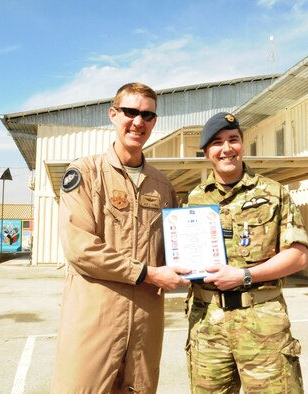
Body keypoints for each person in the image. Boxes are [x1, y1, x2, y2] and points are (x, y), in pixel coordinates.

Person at [51, 82, 190, 393]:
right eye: (130, 112)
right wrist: (147, 273)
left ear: (155, 121)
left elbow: (173, 250)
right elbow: (79, 248)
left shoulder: (162, 185)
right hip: (95, 321)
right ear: (113, 114)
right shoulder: (86, 173)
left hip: (145, 326)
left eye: (148, 115)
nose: (138, 122)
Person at [186, 112, 308, 393]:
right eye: (217, 143)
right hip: (208, 326)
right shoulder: (193, 200)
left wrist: (244, 275)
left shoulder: (274, 193)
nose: (226, 148)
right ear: (207, 152)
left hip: (262, 323)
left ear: (243, 144)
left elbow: (298, 255)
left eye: (233, 140)